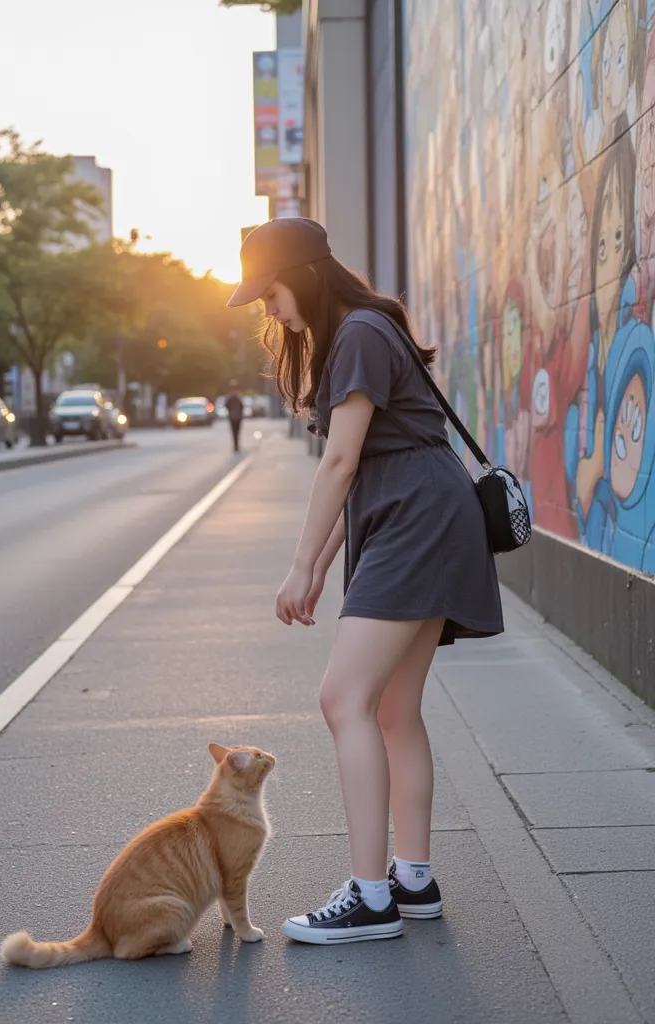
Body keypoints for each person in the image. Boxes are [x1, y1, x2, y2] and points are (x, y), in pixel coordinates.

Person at [227, 218, 504, 945]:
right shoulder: (365, 330)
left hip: (414, 519)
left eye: (273, 291)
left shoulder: (356, 335)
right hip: (415, 512)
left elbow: (343, 462)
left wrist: (298, 565)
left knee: (343, 698)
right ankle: (412, 879)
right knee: (391, 709)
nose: (270, 309)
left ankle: (371, 894)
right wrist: (317, 566)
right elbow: (370, 469)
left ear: (306, 275)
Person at [225, 380, 244, 453]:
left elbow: (241, 406)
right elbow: (242, 406)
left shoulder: (233, 397)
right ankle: (236, 445)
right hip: (235, 417)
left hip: (234, 417)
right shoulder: (234, 397)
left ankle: (236, 445)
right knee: (235, 432)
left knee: (235, 432)